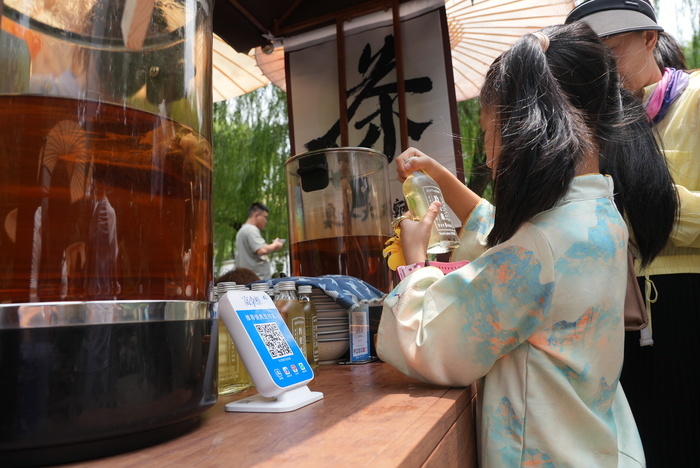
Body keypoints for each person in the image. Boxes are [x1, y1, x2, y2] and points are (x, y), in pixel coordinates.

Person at [377, 22, 678, 467]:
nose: (488, 156)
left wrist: (415, 263)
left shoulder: (538, 248)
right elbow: (499, 227)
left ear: (531, 125)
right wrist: (439, 175)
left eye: (490, 134)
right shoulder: (597, 216)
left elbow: (431, 343)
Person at [567, 2, 700, 465]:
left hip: (688, 298)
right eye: (590, 60)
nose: (601, 71)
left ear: (649, 39)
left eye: (612, 51)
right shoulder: (589, 130)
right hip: (615, 317)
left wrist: (646, 202)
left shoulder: (696, 98)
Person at [234, 202, 284, 280]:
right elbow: (262, 250)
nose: (266, 221)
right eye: (265, 217)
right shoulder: (251, 230)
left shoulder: (242, 231)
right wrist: (275, 244)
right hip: (256, 281)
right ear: (257, 215)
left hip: (246, 279)